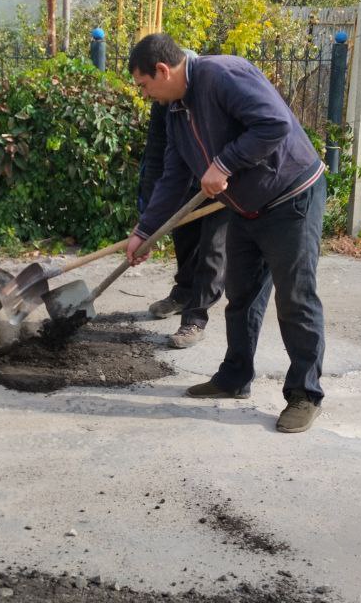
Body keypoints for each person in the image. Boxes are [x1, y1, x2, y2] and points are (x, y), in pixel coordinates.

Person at [125, 33, 327, 433]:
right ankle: (234, 377)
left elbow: (274, 123)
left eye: (145, 85)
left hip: (292, 198)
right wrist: (145, 230)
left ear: (163, 70)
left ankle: (304, 394)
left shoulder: (223, 74)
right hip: (245, 208)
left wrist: (224, 163)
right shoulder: (176, 111)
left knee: (295, 299)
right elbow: (174, 174)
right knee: (241, 296)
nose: (145, 94)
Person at [139, 95, 230, 350]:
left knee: (212, 250)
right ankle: (183, 293)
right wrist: (149, 218)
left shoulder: (212, 97)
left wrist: (226, 170)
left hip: (223, 184)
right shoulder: (163, 102)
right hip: (186, 182)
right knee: (184, 239)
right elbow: (156, 151)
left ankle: (195, 320)